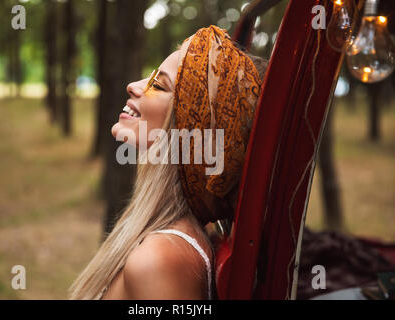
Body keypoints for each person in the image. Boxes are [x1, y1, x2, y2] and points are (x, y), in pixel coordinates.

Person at [69, 25, 267, 300]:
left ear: (193, 133)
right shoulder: (167, 236)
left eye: (159, 85)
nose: (134, 86)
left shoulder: (159, 259)